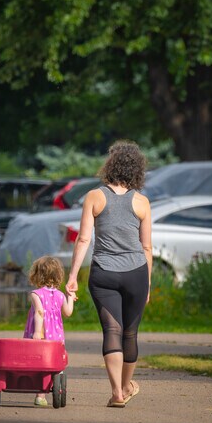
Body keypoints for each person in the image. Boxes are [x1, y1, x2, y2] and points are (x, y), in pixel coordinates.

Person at [66, 140, 152, 408]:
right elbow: (147, 247)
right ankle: (127, 386)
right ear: (137, 170)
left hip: (103, 272)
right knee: (130, 333)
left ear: (110, 166)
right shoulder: (142, 202)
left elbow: (83, 240)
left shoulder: (94, 196)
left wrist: (72, 277)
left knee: (111, 330)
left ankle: (116, 392)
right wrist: (147, 284)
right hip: (136, 273)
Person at [23, 255, 76, 406]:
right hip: (57, 338)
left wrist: (37, 332)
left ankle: (40, 395)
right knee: (53, 363)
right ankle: (56, 386)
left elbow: (39, 312)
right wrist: (70, 297)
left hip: (41, 336)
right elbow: (68, 312)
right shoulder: (60, 295)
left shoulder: (36, 294)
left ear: (37, 275)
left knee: (39, 364)